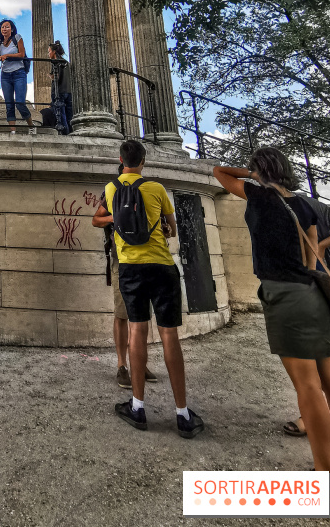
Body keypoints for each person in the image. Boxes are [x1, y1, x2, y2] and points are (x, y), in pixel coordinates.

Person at [214, 149, 330, 494]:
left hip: (284, 298)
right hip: (311, 294)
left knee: (308, 388)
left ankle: (327, 477)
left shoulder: (257, 196)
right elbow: (311, 260)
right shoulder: (304, 205)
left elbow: (219, 172)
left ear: (260, 171)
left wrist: (253, 174)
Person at [92, 138, 204, 437]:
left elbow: (96, 219)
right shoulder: (156, 189)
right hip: (162, 266)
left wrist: (119, 218)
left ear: (120, 160)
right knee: (169, 335)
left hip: (130, 266)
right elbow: (172, 229)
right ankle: (182, 413)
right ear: (144, 161)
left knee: (137, 331)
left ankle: (138, 407)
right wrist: (160, 226)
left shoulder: (111, 188)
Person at [284, 197, 330, 437]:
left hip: (326, 287)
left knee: (328, 361)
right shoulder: (279, 204)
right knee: (318, 361)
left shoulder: (308, 204)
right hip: (304, 288)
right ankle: (312, 416)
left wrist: (322, 245)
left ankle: (316, 420)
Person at [94, 177, 157, 389]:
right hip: (121, 260)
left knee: (141, 317)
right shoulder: (113, 193)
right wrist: (117, 217)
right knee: (122, 314)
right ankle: (122, 365)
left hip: (144, 259)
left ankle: (139, 363)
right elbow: (96, 219)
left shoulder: (147, 190)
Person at [0, 19, 34, 134]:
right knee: (9, 104)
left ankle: (31, 126)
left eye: (7, 27)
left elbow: (21, 54)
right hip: (5, 75)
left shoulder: (17, 37)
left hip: (19, 73)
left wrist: (7, 55)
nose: (4, 29)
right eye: (2, 27)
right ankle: (13, 131)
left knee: (20, 102)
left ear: (11, 29)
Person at [48, 41, 73, 134]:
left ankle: (65, 135)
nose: (48, 54)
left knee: (61, 116)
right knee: (70, 116)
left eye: (49, 51)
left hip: (59, 91)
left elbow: (56, 77)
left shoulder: (56, 63)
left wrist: (50, 76)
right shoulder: (67, 63)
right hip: (69, 91)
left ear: (54, 52)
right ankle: (71, 133)